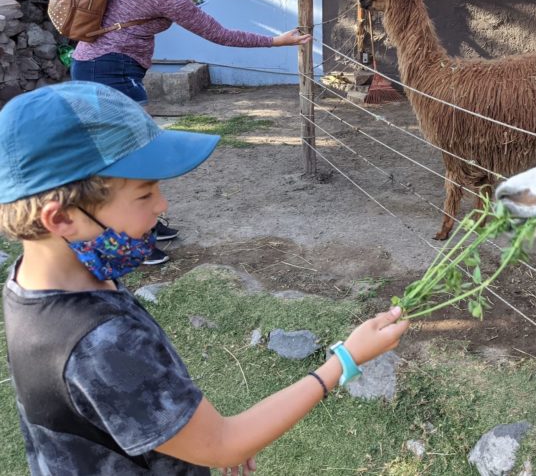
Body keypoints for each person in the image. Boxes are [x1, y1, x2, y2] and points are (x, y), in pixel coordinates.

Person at [0, 82, 409, 475]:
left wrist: (190, 432)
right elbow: (224, 444)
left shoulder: (39, 281)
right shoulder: (99, 341)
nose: (162, 204)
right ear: (61, 218)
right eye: (144, 195)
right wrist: (345, 360)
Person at [71, 0, 312, 266]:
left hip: (96, 64)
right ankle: (127, 242)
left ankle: (144, 228)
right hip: (110, 71)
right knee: (125, 162)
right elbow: (218, 34)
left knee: (123, 158)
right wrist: (277, 41)